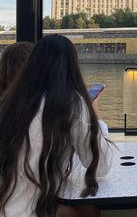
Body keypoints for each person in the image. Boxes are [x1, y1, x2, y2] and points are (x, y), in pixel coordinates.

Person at [0, 34, 112, 217]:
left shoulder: (9, 102)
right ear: (71, 67)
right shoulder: (73, 103)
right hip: (27, 210)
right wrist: (95, 113)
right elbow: (101, 166)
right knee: (90, 211)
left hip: (9, 204)